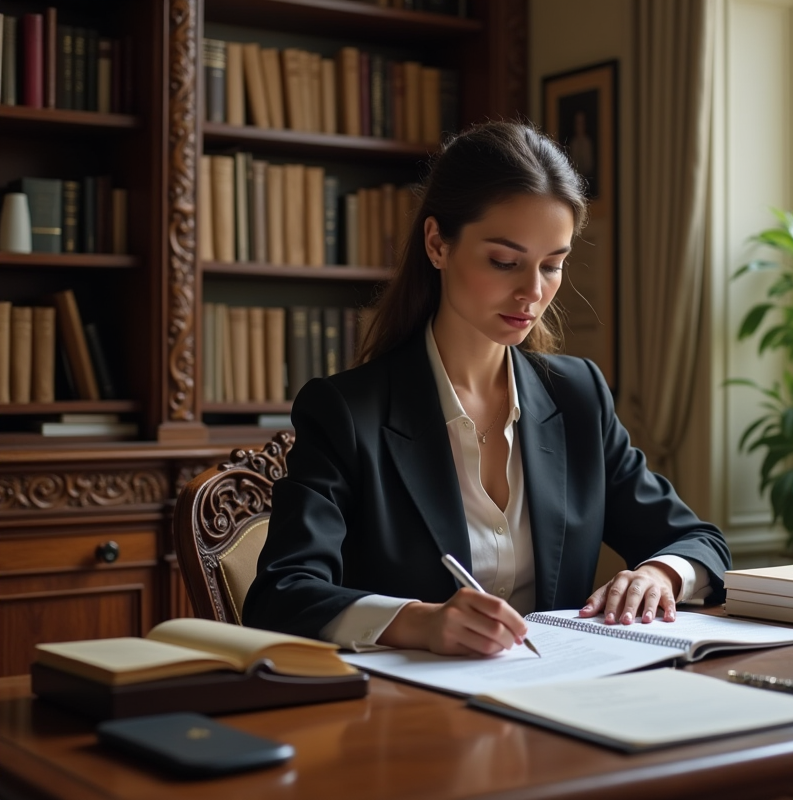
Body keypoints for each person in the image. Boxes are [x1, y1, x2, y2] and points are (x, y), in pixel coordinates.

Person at [242, 121, 730, 658]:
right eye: (504, 262)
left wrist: (662, 573)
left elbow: (700, 542)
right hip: (410, 718)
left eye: (553, 265)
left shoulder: (578, 397)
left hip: (559, 702)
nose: (532, 292)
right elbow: (279, 596)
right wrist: (418, 622)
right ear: (437, 244)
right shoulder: (345, 412)